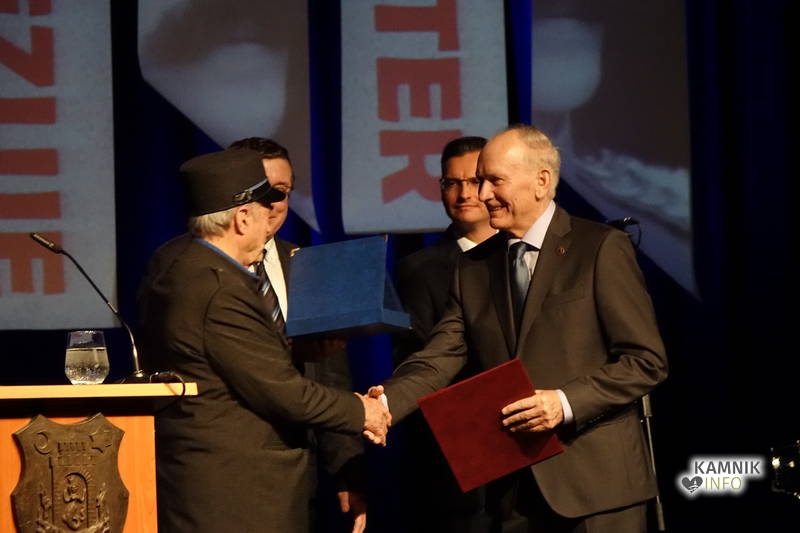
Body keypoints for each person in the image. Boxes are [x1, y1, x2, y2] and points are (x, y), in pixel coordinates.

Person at [375, 124, 668, 532]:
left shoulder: (600, 248)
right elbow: (438, 357)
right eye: (480, 181)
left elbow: (646, 362)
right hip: (513, 494)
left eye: (494, 181)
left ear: (541, 181)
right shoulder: (473, 267)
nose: (482, 195)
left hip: (597, 490)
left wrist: (564, 403)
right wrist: (382, 404)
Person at [138, 148, 389, 533]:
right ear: (242, 218)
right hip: (237, 494)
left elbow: (232, 364)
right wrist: (363, 412)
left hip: (217, 485)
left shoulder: (184, 268)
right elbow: (280, 391)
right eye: (262, 209)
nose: (269, 220)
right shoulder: (221, 289)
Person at [389, 136, 494, 532]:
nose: (464, 194)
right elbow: (416, 359)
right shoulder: (420, 268)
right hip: (463, 451)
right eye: (452, 183)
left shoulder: (528, 255)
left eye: (474, 181)